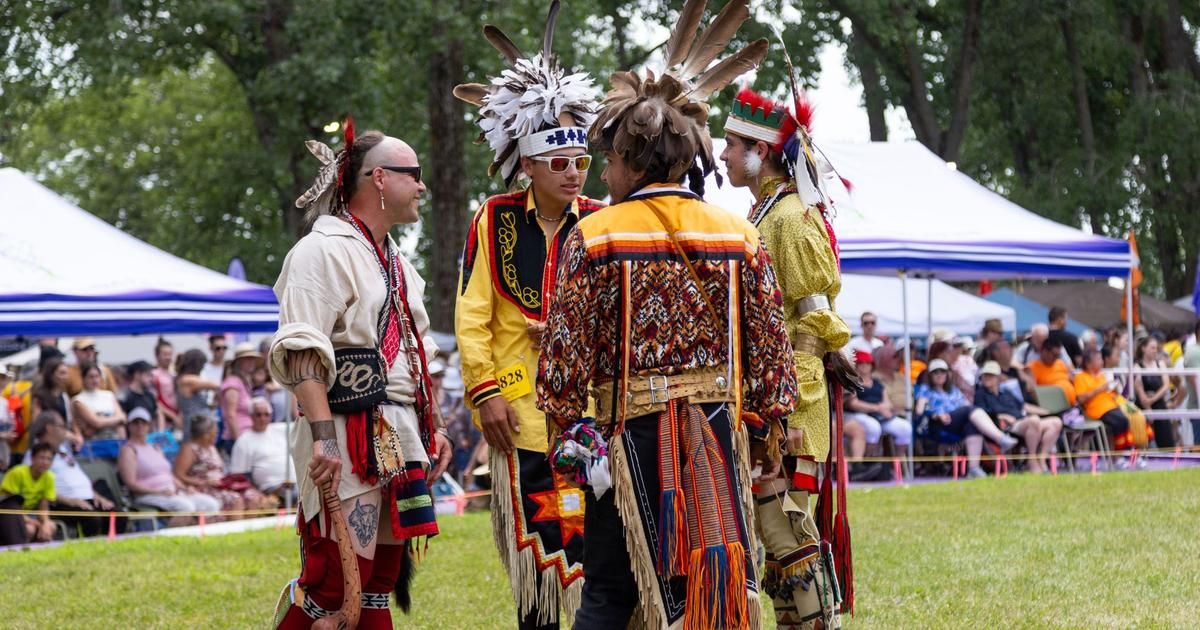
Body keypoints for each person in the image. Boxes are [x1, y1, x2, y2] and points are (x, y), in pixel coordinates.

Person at [538, 20, 791, 627]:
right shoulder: (739, 234)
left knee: (606, 592)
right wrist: (769, 429)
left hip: (627, 443)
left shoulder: (595, 235)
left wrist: (565, 429)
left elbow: (564, 359)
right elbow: (772, 351)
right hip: (716, 434)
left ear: (631, 159)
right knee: (715, 590)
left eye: (609, 161)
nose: (603, 176)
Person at [268, 118, 452, 628]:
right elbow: (302, 348)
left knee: (375, 587)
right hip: (346, 430)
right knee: (334, 587)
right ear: (377, 178)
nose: (422, 185)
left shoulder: (396, 262)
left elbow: (415, 352)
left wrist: (432, 426)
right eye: (412, 174)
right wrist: (324, 438)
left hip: (398, 433)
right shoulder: (321, 251)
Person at [452, 11, 602, 625]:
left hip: (591, 411)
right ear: (529, 166)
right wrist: (484, 392)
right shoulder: (494, 219)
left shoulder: (598, 222)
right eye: (559, 164)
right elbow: (473, 314)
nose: (573, 173)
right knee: (537, 561)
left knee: (601, 555)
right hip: (519, 409)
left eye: (581, 163)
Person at [719, 81, 859, 627]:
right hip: (770, 397)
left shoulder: (790, 219)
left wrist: (789, 409)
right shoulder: (765, 216)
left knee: (786, 526)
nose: (724, 154)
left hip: (790, 403)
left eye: (732, 143)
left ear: (762, 152)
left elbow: (813, 323)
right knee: (773, 538)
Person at [915, 359, 1017, 479]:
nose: (939, 375)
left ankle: (973, 469)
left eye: (942, 371)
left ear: (947, 374)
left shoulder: (954, 390)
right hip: (938, 423)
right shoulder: (925, 390)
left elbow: (965, 404)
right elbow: (919, 411)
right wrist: (936, 414)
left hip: (957, 421)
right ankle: (1000, 438)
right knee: (969, 410)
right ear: (930, 375)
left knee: (972, 424)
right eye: (935, 372)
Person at [118, 408, 220, 525]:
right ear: (129, 426)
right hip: (147, 495)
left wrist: (184, 488)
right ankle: (169, 536)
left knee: (211, 504)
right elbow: (131, 484)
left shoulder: (155, 448)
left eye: (143, 422)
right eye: (136, 422)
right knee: (185, 507)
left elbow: (169, 475)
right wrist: (158, 492)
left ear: (149, 425)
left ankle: (202, 537)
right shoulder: (128, 450)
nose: (140, 426)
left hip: (171, 492)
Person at [23, 411, 118, 537]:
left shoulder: (63, 450)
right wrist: (71, 501)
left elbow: (78, 477)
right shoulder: (35, 455)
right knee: (92, 519)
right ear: (49, 428)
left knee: (115, 514)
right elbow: (36, 488)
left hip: (87, 499)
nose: (65, 431)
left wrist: (95, 495)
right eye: (62, 426)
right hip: (61, 503)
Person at [174, 414, 269, 520]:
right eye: (213, 433)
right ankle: (237, 531)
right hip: (203, 487)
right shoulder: (190, 448)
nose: (216, 435)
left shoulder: (212, 447)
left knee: (252, 497)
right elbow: (178, 475)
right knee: (235, 499)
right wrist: (203, 482)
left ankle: (251, 531)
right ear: (205, 434)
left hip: (222, 485)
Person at [974, 362, 1062, 474]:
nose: (987, 378)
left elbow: (1023, 406)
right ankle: (1032, 460)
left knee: (1056, 422)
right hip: (1007, 426)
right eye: (985, 375)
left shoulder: (1006, 392)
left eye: (991, 375)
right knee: (1033, 420)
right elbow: (981, 413)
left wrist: (1047, 412)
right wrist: (1002, 416)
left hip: (1023, 420)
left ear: (998, 378)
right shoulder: (980, 394)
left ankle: (1042, 459)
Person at [1075, 348, 1147, 469]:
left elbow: (1107, 392)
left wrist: (1113, 390)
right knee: (1121, 421)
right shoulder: (1081, 377)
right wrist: (1100, 389)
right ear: (1088, 363)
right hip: (1096, 410)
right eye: (1098, 359)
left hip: (1111, 405)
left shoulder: (1101, 375)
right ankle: (1118, 457)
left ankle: (1133, 454)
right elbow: (1081, 399)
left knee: (1134, 417)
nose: (1101, 361)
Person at [845, 351, 911, 480]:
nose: (864, 366)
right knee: (873, 427)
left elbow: (887, 401)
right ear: (856, 366)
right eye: (861, 364)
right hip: (860, 415)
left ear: (872, 366)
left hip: (880, 415)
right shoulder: (852, 381)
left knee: (905, 428)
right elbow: (853, 403)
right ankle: (865, 464)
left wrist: (885, 409)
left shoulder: (878, 383)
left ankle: (894, 464)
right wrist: (877, 408)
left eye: (867, 364)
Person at [229, 399, 295, 501]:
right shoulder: (243, 441)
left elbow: (303, 424)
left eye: (266, 414)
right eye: (258, 415)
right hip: (270, 488)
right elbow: (239, 475)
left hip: (294, 481)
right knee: (294, 493)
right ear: (251, 416)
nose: (263, 418)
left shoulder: (281, 429)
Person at [0, 442, 58, 542]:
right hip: (9, 515)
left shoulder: (50, 477)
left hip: (29, 515)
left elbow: (43, 508)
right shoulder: (17, 473)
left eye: (49, 459)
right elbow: (9, 506)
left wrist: (45, 523)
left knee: (51, 527)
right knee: (30, 529)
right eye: (42, 458)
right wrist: (36, 523)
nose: (45, 462)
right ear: (32, 459)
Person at [31, 358, 83, 452]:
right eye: (61, 373)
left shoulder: (64, 396)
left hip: (64, 443)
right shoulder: (40, 397)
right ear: (51, 374)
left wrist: (78, 435)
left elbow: (71, 420)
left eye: (66, 373)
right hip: (46, 445)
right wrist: (65, 434)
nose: (65, 377)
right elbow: (37, 422)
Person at [1134, 335, 1176, 448]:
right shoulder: (1137, 367)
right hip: (1144, 406)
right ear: (1143, 348)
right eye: (1152, 348)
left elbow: (1166, 384)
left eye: (1156, 348)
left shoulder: (1160, 364)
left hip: (1159, 404)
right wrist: (1147, 403)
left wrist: (1153, 399)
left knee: (1166, 439)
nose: (1155, 351)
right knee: (1148, 441)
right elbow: (1139, 389)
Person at [220, 343, 262, 446]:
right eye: (248, 358)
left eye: (252, 358)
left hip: (245, 437)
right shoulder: (233, 383)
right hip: (236, 438)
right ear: (239, 362)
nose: (252, 362)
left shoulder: (242, 382)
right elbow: (230, 415)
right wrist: (238, 441)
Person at [72, 363, 127, 443]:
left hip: (115, 440)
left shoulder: (109, 395)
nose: (94, 380)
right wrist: (113, 419)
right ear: (83, 378)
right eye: (91, 377)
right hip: (95, 443)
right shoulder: (78, 400)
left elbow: (122, 417)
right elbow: (97, 423)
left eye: (97, 376)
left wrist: (101, 418)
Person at [175, 348, 220, 439]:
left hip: (203, 426)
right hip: (194, 428)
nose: (203, 368)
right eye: (202, 364)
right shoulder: (186, 380)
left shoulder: (188, 380)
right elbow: (216, 385)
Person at [1027, 337, 1077, 406]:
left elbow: (1069, 378)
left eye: (1058, 355)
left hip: (1072, 405)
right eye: (1054, 355)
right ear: (1044, 351)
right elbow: (1032, 392)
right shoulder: (1031, 368)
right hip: (1053, 406)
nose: (1056, 358)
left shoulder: (1060, 363)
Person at [122, 360, 165, 432]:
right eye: (148, 375)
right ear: (137, 375)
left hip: (149, 439)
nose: (151, 379)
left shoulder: (150, 395)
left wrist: (160, 432)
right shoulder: (125, 396)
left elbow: (158, 413)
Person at [151, 338, 180, 430]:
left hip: (177, 420)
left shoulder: (175, 374)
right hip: (162, 421)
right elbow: (154, 401)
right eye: (165, 354)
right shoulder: (153, 375)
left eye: (170, 354)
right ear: (157, 356)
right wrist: (173, 416)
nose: (168, 357)